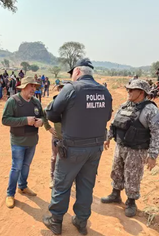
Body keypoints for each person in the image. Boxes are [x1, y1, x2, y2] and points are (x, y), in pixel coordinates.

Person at [43, 59, 112, 235]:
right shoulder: (104, 91)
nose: (72, 76)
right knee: (86, 186)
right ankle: (81, 222)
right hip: (95, 149)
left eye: (72, 73)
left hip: (72, 149)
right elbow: (106, 116)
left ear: (78, 72)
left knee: (62, 184)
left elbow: (51, 113)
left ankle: (56, 221)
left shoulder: (71, 89)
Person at [102, 79, 159, 218]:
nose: (128, 92)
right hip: (120, 146)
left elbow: (158, 133)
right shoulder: (124, 106)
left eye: (131, 90)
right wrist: (108, 138)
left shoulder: (150, 110)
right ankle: (115, 193)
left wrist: (153, 155)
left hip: (137, 150)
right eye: (128, 89)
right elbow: (114, 123)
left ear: (141, 92)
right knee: (116, 170)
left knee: (133, 175)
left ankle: (131, 201)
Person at [2, 76, 44, 209]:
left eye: (35, 86)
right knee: (16, 168)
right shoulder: (13, 101)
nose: (33, 89)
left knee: (26, 165)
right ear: (24, 87)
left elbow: (43, 116)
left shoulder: (36, 102)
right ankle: (10, 194)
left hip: (32, 140)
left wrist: (41, 122)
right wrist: (25, 120)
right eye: (31, 86)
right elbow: (5, 120)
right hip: (18, 141)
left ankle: (23, 187)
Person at [42, 85, 64, 189]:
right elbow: (44, 113)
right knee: (54, 158)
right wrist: (48, 127)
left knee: (70, 158)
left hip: (70, 138)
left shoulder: (73, 103)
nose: (62, 91)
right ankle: (53, 178)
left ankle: (69, 179)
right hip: (57, 137)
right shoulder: (55, 103)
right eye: (60, 89)